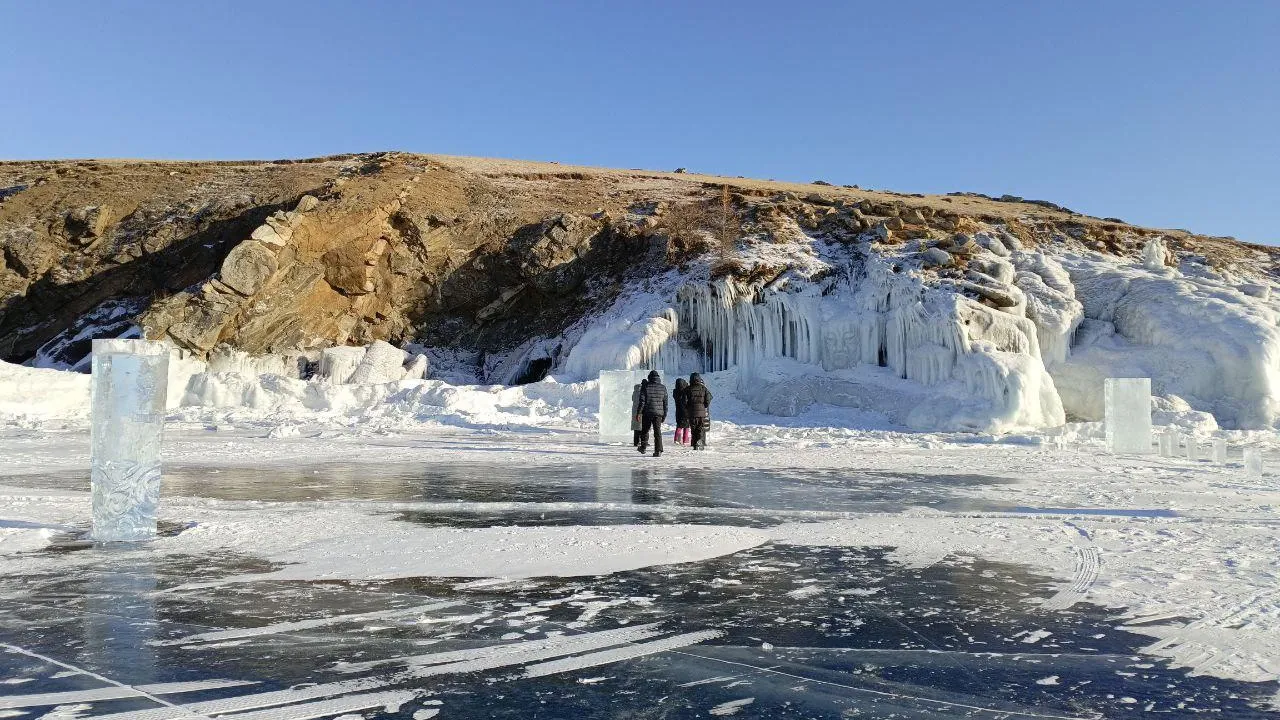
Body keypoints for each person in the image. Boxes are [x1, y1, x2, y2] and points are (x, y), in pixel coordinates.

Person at [637, 370, 668, 457]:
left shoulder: (646, 387)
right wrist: (664, 414)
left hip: (647, 412)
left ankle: (643, 447)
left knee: (645, 430)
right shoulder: (663, 388)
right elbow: (665, 403)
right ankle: (658, 451)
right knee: (657, 432)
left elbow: (642, 401)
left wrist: (638, 413)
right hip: (658, 413)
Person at [685, 372, 713, 450]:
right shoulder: (703, 388)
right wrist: (705, 405)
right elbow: (709, 398)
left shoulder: (688, 389)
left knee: (693, 429)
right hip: (701, 413)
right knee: (700, 428)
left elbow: (684, 400)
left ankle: (694, 444)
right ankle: (700, 442)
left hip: (692, 412)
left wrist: (687, 407)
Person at [672, 377, 690, 445]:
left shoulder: (675, 392)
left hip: (678, 411)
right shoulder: (685, 392)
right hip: (686, 410)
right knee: (686, 426)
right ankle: (685, 440)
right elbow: (686, 401)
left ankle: (676, 439)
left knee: (679, 426)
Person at [631, 379, 647, 447]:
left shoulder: (634, 392)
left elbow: (633, 399)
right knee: (642, 427)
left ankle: (636, 442)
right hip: (641, 411)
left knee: (636, 428)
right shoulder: (643, 392)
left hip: (634, 411)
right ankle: (643, 441)